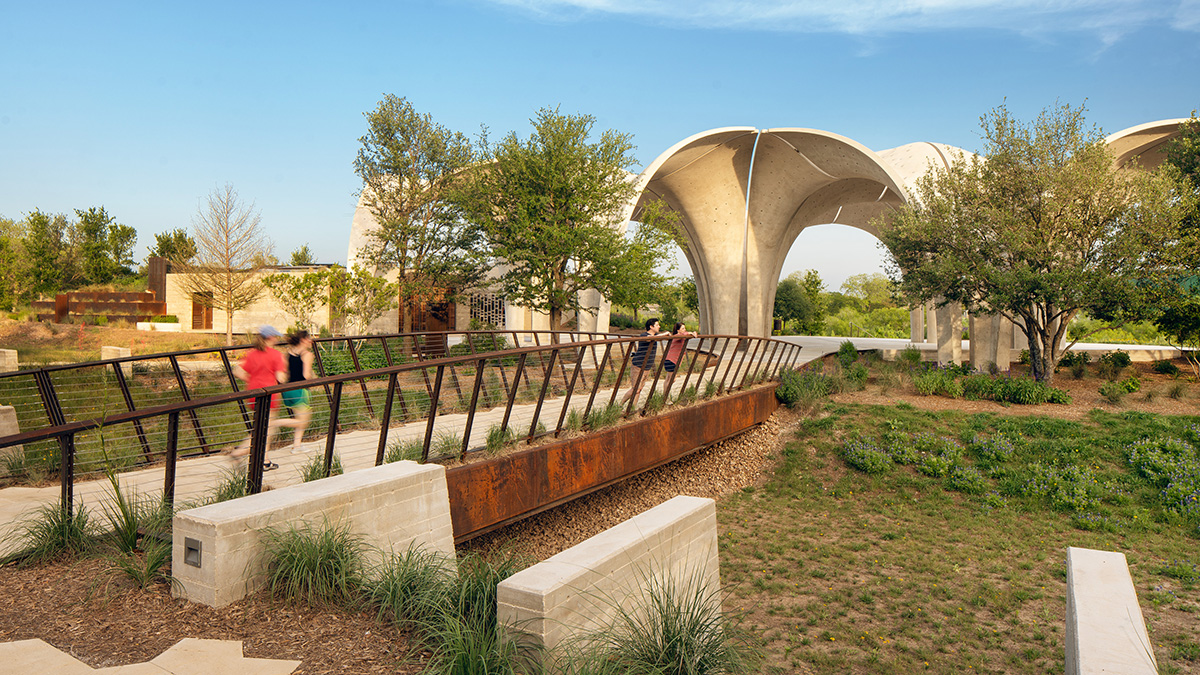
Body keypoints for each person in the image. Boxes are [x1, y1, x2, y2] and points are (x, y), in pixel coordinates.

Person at [230, 325, 286, 470]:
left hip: (253, 394)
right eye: (276, 337)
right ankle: (239, 453)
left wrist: (251, 380)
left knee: (262, 427)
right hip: (269, 395)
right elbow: (281, 378)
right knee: (267, 430)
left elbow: (237, 370)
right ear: (271, 337)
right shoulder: (275, 355)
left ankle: (265, 460)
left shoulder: (252, 354)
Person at [271, 330, 314, 452]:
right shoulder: (307, 355)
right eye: (309, 338)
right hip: (300, 391)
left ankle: (297, 446)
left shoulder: (287, 354)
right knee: (303, 420)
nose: (311, 341)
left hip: (287, 390)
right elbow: (306, 376)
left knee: (300, 419)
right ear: (303, 340)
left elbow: (283, 374)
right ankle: (276, 423)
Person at [620, 318, 661, 405]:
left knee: (639, 389)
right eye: (657, 325)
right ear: (651, 326)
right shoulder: (644, 335)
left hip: (647, 367)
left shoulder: (655, 336)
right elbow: (650, 338)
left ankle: (632, 408)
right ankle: (621, 404)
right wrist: (666, 334)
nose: (659, 327)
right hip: (638, 366)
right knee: (636, 389)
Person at [662, 322, 698, 395]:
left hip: (672, 360)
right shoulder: (677, 336)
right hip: (671, 360)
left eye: (685, 328)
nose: (684, 330)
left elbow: (686, 335)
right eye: (683, 328)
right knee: (672, 379)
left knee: (668, 379)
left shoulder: (681, 337)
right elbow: (683, 335)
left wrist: (693, 333)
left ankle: (664, 397)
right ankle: (665, 397)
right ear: (678, 330)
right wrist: (690, 332)